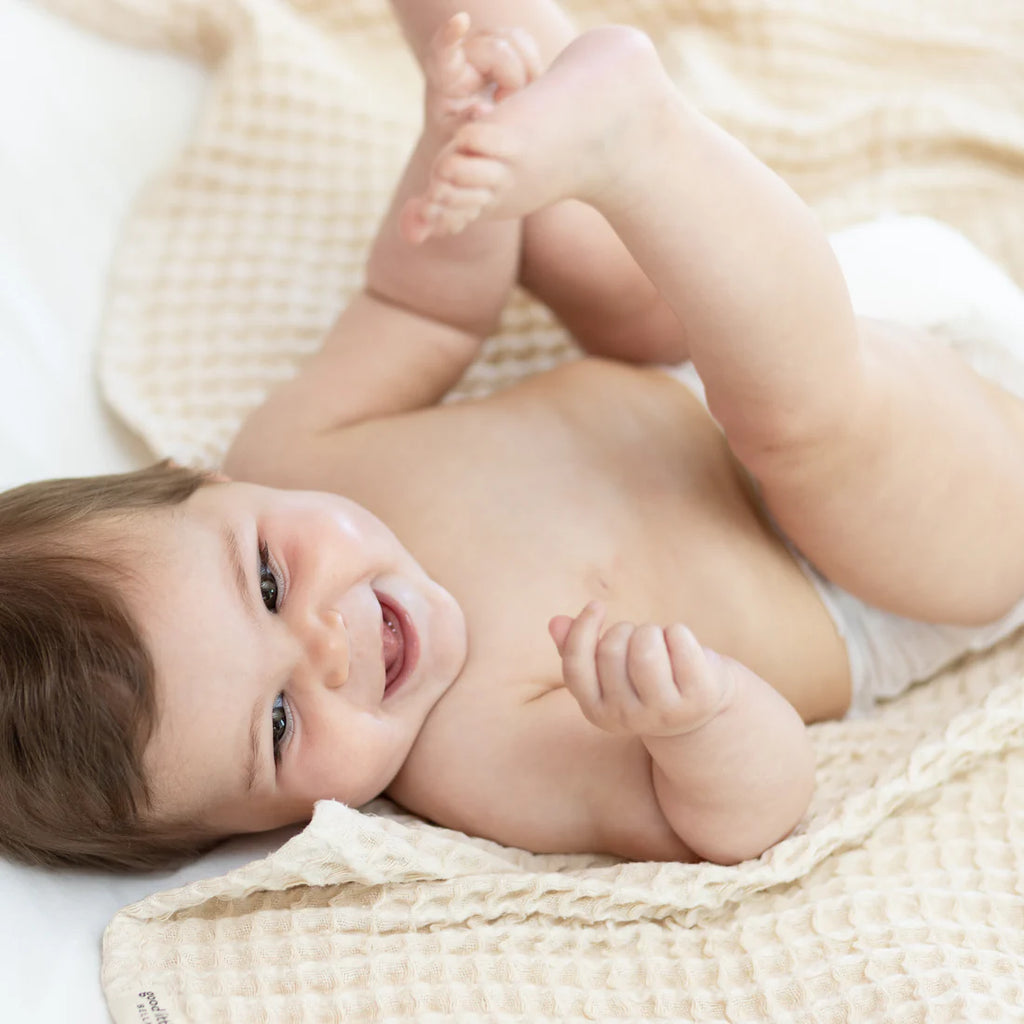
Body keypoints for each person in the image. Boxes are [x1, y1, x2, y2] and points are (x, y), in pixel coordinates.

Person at [4, 2, 1024, 873]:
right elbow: (740, 812)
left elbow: (426, 310)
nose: (325, 645)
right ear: (264, 826)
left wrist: (452, 149)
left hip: (749, 324)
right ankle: (642, 139)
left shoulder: (292, 448)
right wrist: (694, 722)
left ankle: (491, 58)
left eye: (268, 580)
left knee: (566, 244)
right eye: (278, 724)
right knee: (803, 433)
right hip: (904, 556)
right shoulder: (473, 752)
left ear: (203, 479)